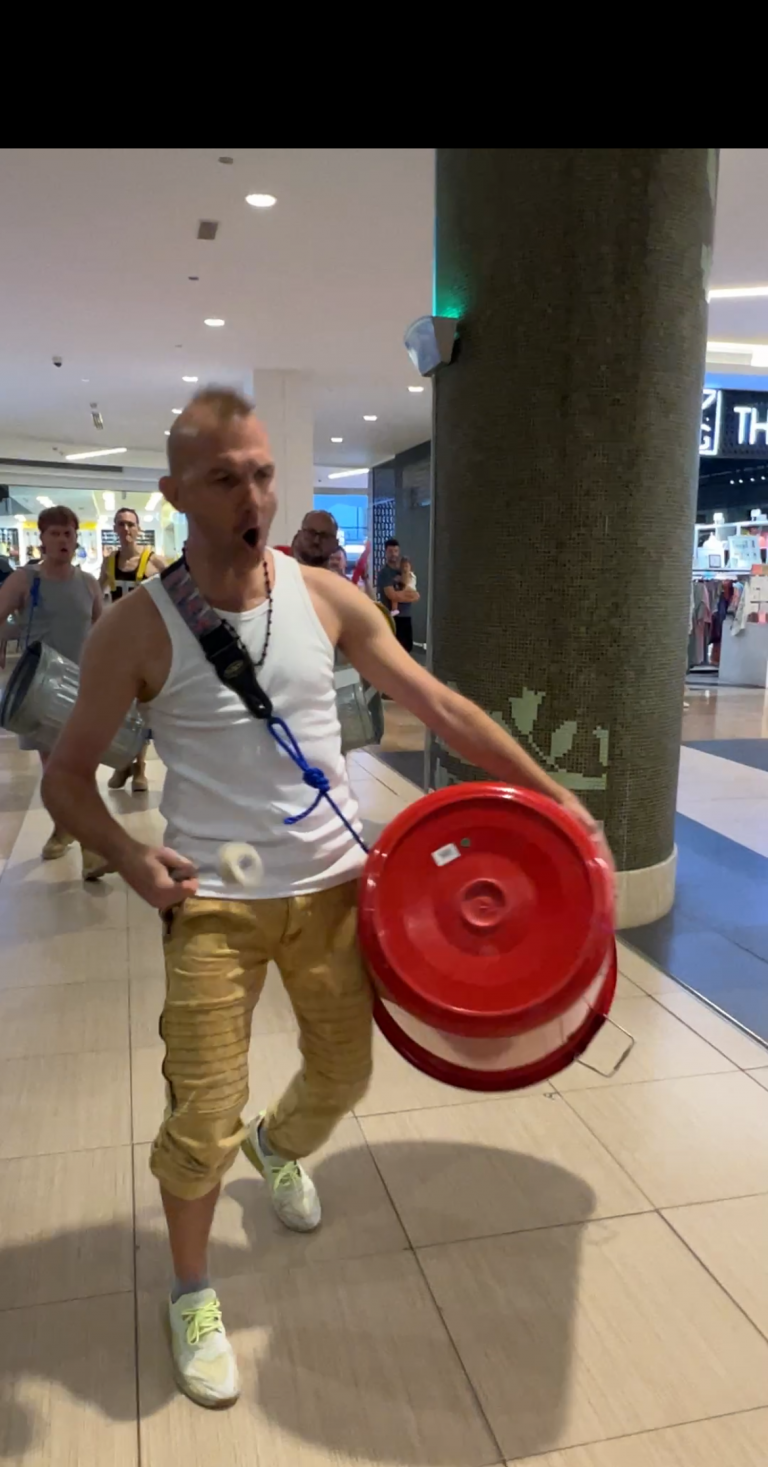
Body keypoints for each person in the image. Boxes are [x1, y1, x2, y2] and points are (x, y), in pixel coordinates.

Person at [43, 386, 609, 1411]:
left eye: (262, 473)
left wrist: (552, 794)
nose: (252, 495)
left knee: (344, 1073)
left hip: (339, 890)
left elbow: (441, 706)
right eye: (225, 477)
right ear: (175, 493)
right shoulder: (135, 626)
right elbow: (66, 777)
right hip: (213, 904)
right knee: (202, 1110)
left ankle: (278, 1146)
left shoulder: (326, 598)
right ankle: (192, 1289)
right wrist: (128, 856)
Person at [0, 504, 107, 876]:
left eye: (68, 533)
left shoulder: (88, 583)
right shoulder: (24, 580)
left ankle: (79, 837)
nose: (62, 539)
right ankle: (73, 833)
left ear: (77, 539)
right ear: (42, 539)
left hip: (82, 688)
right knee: (57, 769)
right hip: (39, 690)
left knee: (78, 768)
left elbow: (103, 632)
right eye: (55, 533)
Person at [100, 506, 164, 793]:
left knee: (141, 706)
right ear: (115, 529)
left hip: (147, 644)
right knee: (118, 705)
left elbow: (178, 591)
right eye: (121, 524)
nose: (126, 529)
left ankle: (139, 767)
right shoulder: (109, 563)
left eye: (130, 524)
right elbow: (96, 593)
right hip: (119, 642)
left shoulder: (155, 562)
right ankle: (123, 762)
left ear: (138, 529)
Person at [391, 556, 419, 654]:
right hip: (399, 615)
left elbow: (413, 594)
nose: (405, 568)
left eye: (407, 566)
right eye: (403, 566)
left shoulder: (410, 577)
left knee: (406, 642)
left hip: (406, 613)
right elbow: (395, 595)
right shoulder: (397, 577)